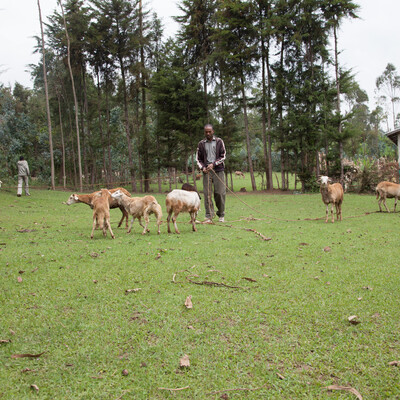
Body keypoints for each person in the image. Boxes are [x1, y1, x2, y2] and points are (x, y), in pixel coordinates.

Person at [196, 124, 226, 223]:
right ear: (204, 132)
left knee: (220, 193)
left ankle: (221, 214)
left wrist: (214, 164)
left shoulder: (219, 142)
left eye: (209, 131)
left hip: (218, 170)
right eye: (206, 132)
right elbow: (198, 159)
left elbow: (223, 156)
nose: (208, 133)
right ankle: (209, 215)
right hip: (206, 171)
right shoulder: (201, 144)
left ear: (213, 131)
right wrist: (203, 167)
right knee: (207, 193)